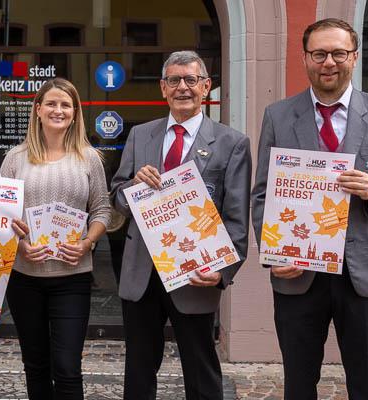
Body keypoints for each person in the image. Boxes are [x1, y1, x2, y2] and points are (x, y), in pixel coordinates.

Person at [251, 18, 368, 399]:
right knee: (298, 384)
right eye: (320, 53)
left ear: (354, 57)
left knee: (366, 385)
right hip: (299, 271)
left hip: (364, 273)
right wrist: (272, 252)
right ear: (306, 58)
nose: (329, 62)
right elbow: (263, 195)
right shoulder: (279, 115)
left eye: (339, 53)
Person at [110, 50, 251, 400]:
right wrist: (133, 188)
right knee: (139, 371)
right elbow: (117, 195)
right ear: (162, 88)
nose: (182, 87)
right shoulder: (140, 135)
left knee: (201, 370)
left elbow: (236, 217)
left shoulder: (232, 143)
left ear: (206, 87)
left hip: (195, 274)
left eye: (191, 80)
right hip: (142, 273)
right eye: (174, 80)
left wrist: (224, 271)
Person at [0, 78, 110, 400]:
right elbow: (0, 214)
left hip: (72, 277)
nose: (57, 110)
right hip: (24, 277)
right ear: (37, 109)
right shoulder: (15, 158)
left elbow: (102, 210)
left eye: (65, 105)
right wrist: (18, 242)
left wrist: (87, 243)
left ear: (75, 113)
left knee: (67, 367)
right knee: (35, 364)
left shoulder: (90, 158)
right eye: (51, 103)